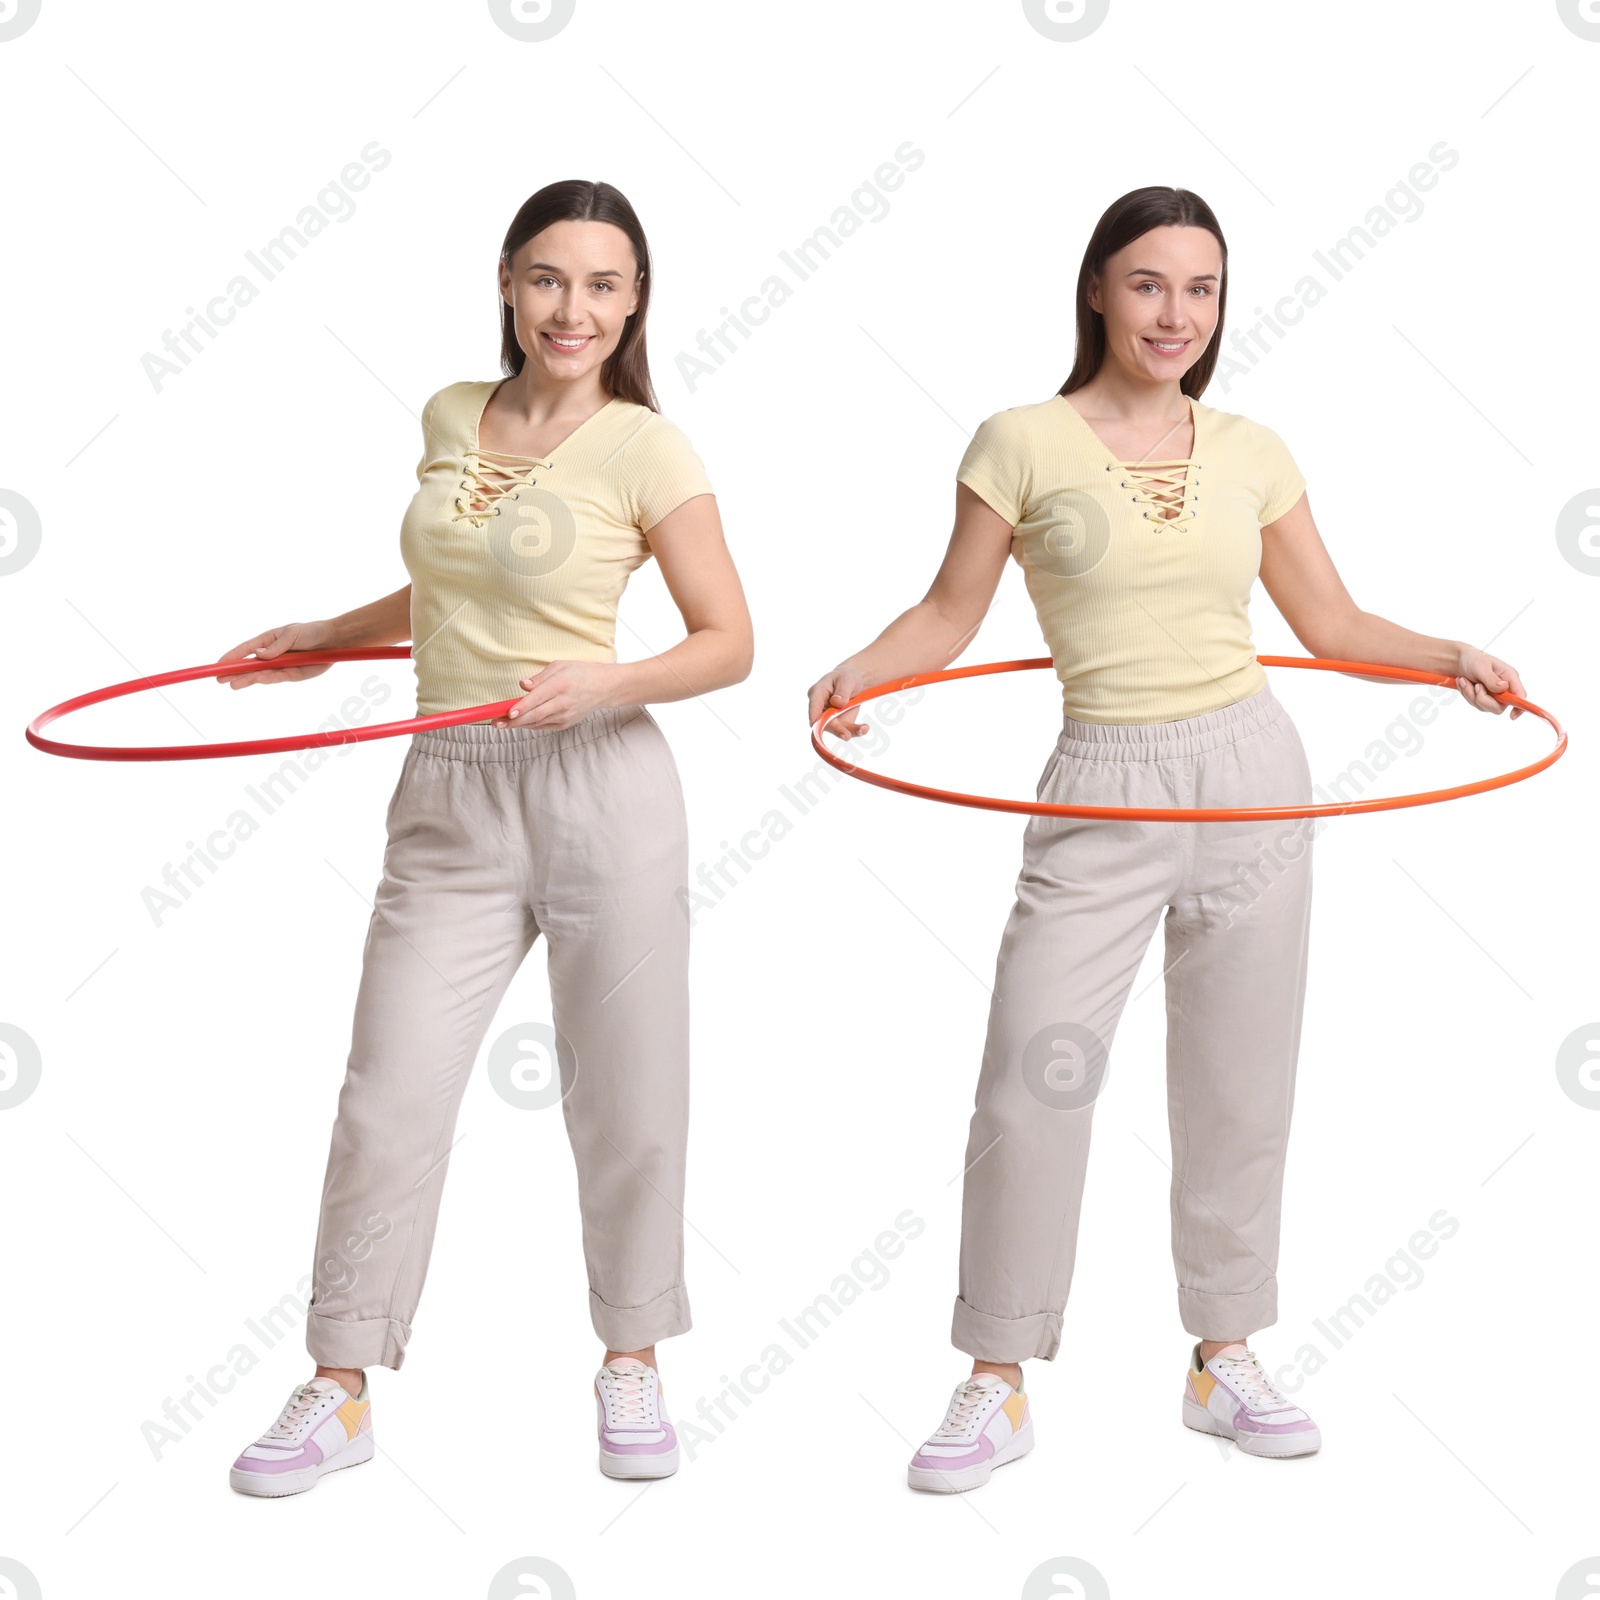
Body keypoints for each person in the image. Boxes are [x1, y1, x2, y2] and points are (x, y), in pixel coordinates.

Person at [806, 185, 1525, 1493]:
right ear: (1097, 290)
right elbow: (951, 612)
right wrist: (857, 673)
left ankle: (1225, 1354)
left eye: (1199, 289)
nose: (1175, 314)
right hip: (1102, 781)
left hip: (1253, 774)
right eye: (1148, 285)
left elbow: (1333, 623)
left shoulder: (1251, 448)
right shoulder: (1018, 440)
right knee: (1033, 1076)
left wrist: (1450, 661)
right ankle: (996, 1375)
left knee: (1238, 1092)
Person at [216, 179, 752, 1496]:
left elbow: (729, 641)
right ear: (509, 282)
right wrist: (325, 636)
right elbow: (452, 584)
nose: (574, 309)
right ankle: (340, 1383)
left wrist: (602, 685)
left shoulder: (646, 449)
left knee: (627, 1098)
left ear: (634, 304)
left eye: (604, 286)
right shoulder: (455, 414)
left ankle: (632, 1357)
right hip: (448, 791)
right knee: (388, 1095)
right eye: (550, 279)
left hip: (601, 787)